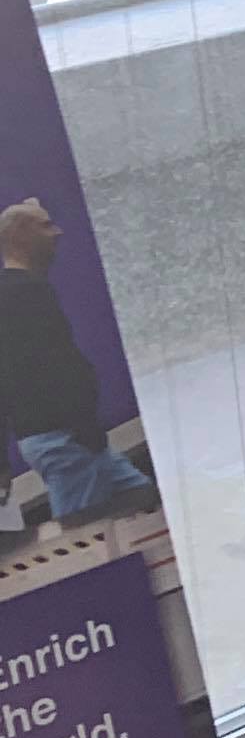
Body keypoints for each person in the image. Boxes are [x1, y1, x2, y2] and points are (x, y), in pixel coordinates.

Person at [0, 198, 156, 521]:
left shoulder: (16, 292)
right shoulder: (25, 293)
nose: (57, 232)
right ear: (21, 234)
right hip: (66, 439)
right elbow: (51, 364)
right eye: (46, 225)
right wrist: (80, 424)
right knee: (84, 530)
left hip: (73, 439)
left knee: (144, 498)